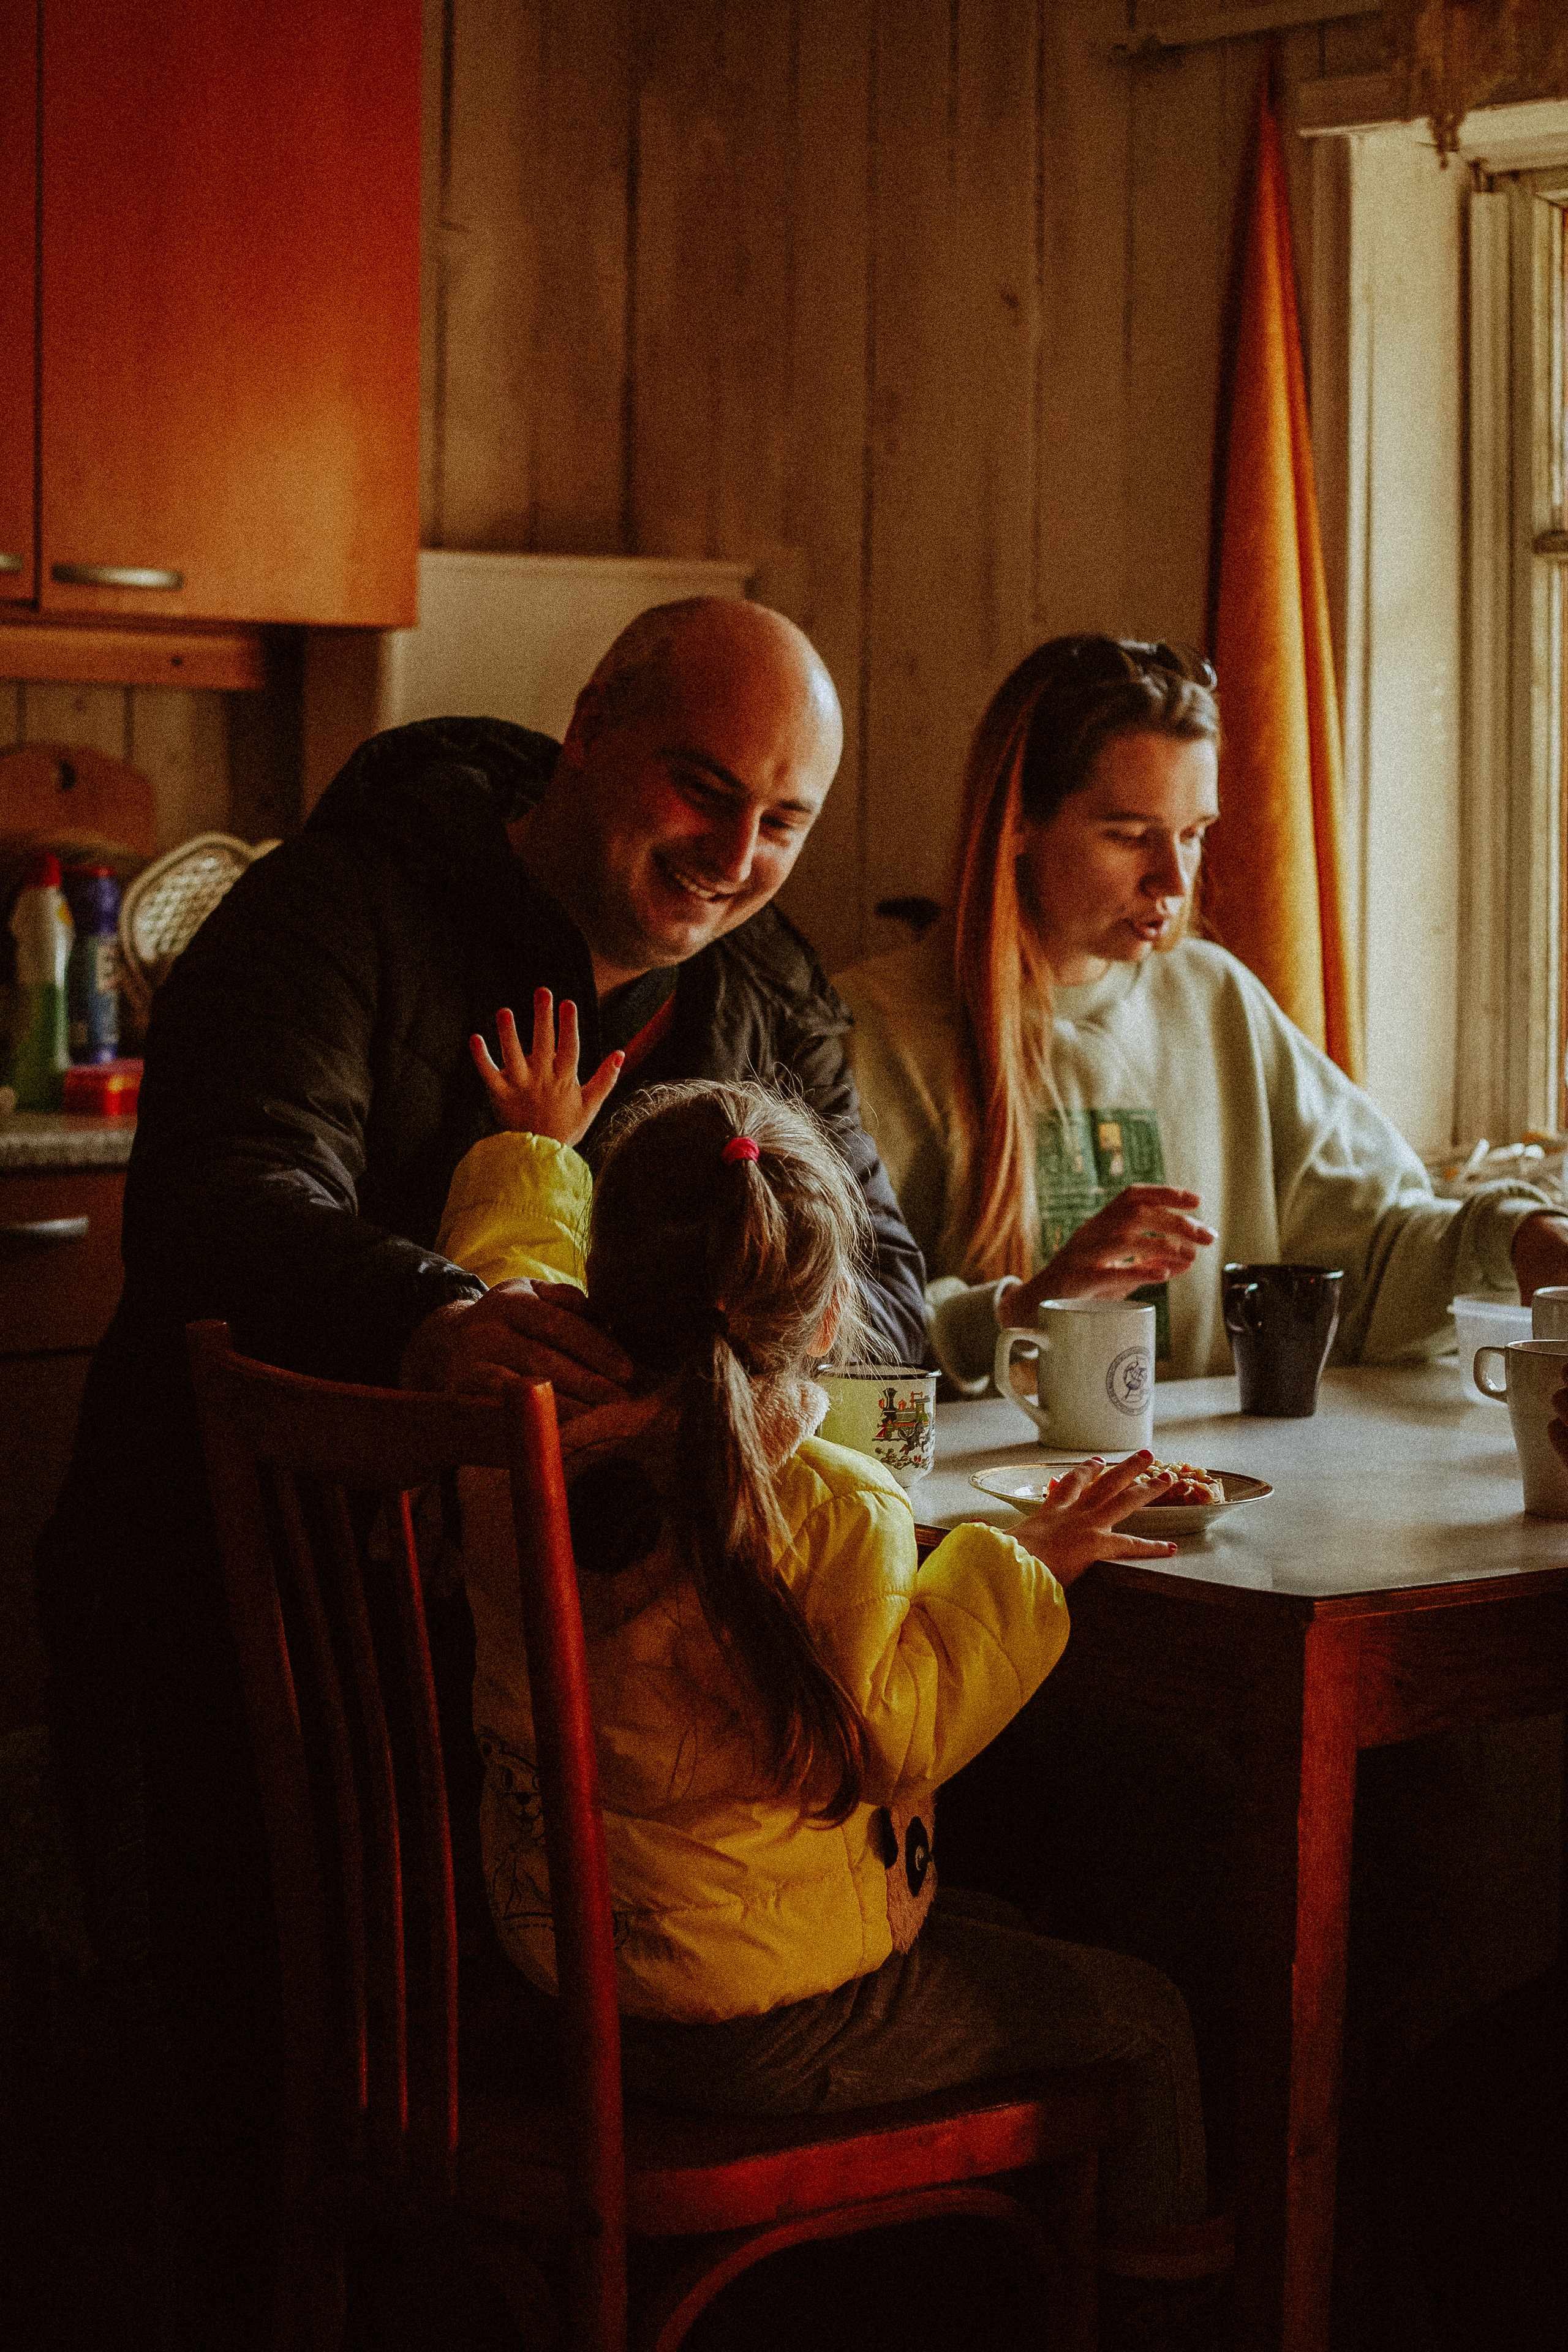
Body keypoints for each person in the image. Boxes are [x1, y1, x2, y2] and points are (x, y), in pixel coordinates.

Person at [33, 597, 926, 2337]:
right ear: (588, 724)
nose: (736, 854)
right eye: (698, 786)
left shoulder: (761, 986)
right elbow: (218, 1203)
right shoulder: (328, 906)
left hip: (596, 1691)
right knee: (247, 2149)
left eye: (785, 821)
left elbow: (885, 1293)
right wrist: (437, 1319)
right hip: (252, 1657)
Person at [437, 1028, 1208, 2246]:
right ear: (835, 1307)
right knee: (1142, 2010)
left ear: (606, 1277)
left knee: (1001, 1925)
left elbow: (508, 1265)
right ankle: (1168, 2309)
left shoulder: (510, 1432)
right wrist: (1029, 1562)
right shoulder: (833, 1505)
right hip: (750, 2028)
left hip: (557, 1977)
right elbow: (888, 1737)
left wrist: (533, 1147)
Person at [836, 634, 1568, 1388]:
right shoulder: (870, 1026)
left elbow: (1381, 1254)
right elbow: (826, 1333)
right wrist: (1025, 1307)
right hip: (975, 1498)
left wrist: (1515, 1236)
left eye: (1193, 835)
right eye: (1128, 836)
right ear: (1017, 821)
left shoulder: (1215, 997)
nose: (1174, 880)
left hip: (1205, 1483)